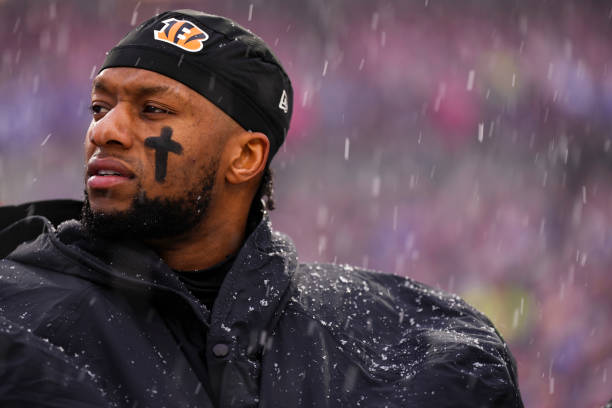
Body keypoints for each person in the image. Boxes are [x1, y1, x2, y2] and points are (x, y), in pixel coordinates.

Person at [0, 9, 523, 408]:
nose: (103, 129)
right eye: (100, 106)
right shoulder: (14, 312)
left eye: (153, 109)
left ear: (246, 157)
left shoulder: (415, 339)